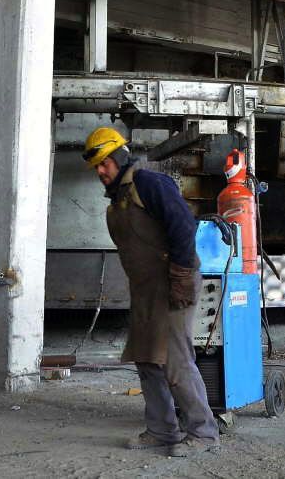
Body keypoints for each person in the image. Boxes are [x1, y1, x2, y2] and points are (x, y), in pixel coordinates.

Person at [82, 127, 220, 458]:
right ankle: (162, 430)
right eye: (97, 167)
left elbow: (184, 226)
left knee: (174, 361)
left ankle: (204, 433)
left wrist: (183, 274)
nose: (101, 172)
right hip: (145, 290)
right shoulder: (117, 201)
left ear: (118, 157)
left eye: (105, 164)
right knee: (146, 359)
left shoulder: (149, 183)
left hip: (173, 281)